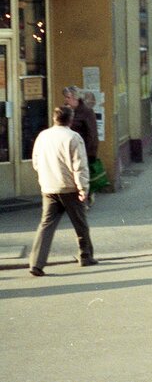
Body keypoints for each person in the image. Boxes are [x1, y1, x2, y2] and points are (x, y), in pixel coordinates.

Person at [28, 106, 96, 276]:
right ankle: (85, 255)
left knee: (46, 225)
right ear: (70, 120)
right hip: (69, 187)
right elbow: (79, 165)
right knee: (80, 223)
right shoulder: (73, 137)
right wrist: (83, 188)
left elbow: (36, 161)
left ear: (54, 118)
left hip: (49, 186)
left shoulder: (43, 136)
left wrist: (44, 176)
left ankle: (36, 263)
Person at [62, 86, 99, 162]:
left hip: (82, 150)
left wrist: (89, 154)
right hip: (67, 150)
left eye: (68, 97)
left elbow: (92, 134)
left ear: (76, 98)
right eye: (65, 97)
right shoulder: (65, 111)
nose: (66, 100)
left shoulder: (86, 112)